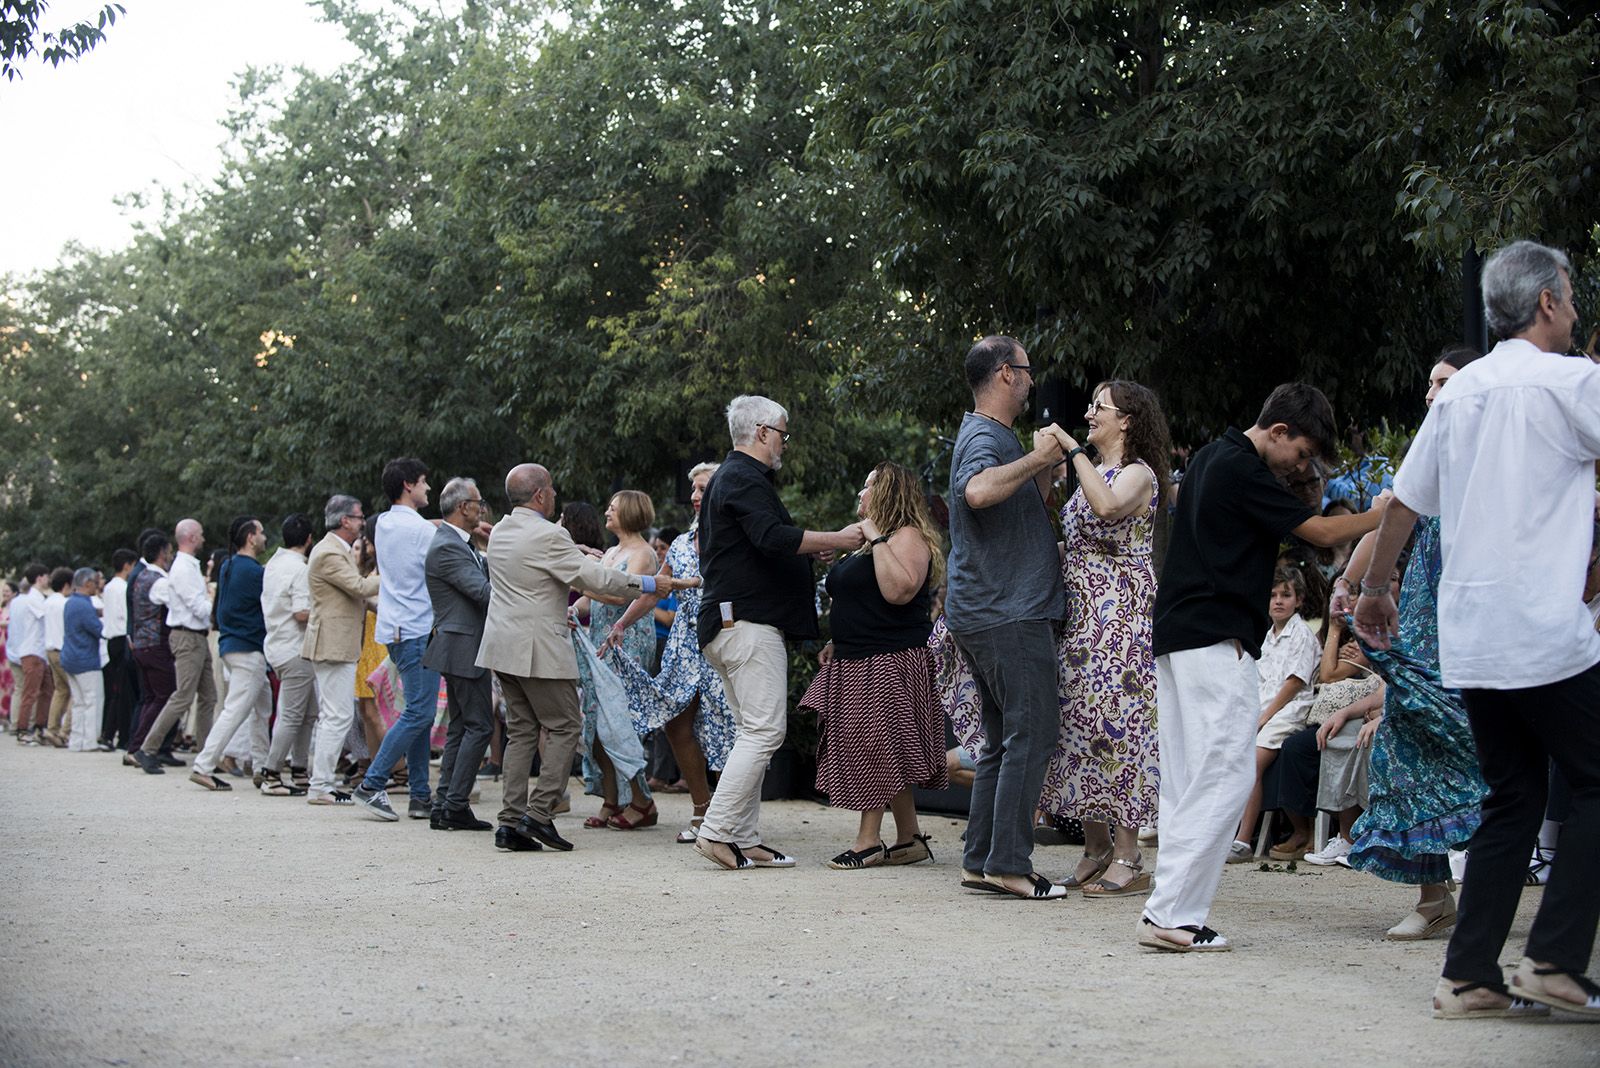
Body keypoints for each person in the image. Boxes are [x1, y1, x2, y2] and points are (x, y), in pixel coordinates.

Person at [1354, 240, 1600, 1020]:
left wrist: (1373, 591)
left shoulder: (1462, 394)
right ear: (1550, 303)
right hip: (1542, 626)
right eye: (1569, 294)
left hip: (1474, 637)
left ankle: (1467, 976)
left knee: (1512, 796)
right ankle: (1555, 957)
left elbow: (1404, 502)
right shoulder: (1572, 382)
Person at [1139, 383, 1386, 952]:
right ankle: (1173, 913)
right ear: (1278, 431)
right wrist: (1382, 513)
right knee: (1224, 775)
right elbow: (1321, 533)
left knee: (1186, 779)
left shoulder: (1207, 457)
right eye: (1300, 454)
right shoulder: (1241, 468)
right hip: (1216, 637)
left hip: (1179, 636)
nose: (1299, 467)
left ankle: (1165, 909)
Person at [1333, 344, 1487, 938]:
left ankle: (1509, 881)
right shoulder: (1432, 453)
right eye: (1428, 384)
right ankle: (1433, 897)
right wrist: (1347, 583)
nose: (1430, 394)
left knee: (1494, 740)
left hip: (1482, 608)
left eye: (1442, 383)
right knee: (1407, 737)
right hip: (1424, 616)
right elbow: (1391, 518)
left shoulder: (1499, 453)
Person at [691, 396, 865, 871]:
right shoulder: (743, 477)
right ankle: (716, 830)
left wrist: (810, 551)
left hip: (729, 623)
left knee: (752, 732)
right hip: (746, 625)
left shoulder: (734, 478)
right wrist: (838, 539)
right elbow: (772, 537)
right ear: (763, 432)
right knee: (765, 731)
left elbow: (762, 545)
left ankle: (744, 838)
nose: (785, 442)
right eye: (784, 433)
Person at [476, 464, 682, 853]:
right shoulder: (549, 534)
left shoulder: (501, 530)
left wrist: (577, 552)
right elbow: (598, 581)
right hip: (538, 648)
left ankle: (509, 821)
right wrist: (652, 583)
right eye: (551, 489)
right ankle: (538, 815)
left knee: (521, 732)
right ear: (540, 495)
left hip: (501, 646)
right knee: (565, 726)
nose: (555, 496)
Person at [943, 337, 1068, 899]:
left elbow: (1016, 503)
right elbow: (975, 492)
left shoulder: (994, 436)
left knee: (1000, 740)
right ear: (1003, 375)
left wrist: (1043, 473)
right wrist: (1040, 457)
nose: (1032, 380)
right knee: (1033, 733)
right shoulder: (984, 436)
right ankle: (1011, 865)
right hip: (1007, 610)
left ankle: (980, 859)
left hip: (990, 607)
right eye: (1025, 370)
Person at [1037, 380, 1172, 897]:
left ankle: (1129, 854)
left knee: (1119, 726)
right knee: (1078, 723)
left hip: (1121, 618)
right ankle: (1093, 847)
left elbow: (1110, 508)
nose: (1090, 414)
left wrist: (1071, 449)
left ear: (1127, 420)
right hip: (1080, 615)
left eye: (1100, 407)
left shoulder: (1138, 473)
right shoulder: (1090, 473)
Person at [801, 461, 946, 869]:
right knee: (887, 747)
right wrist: (836, 639)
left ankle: (868, 841)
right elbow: (861, 599)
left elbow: (899, 591)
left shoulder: (908, 537)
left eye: (868, 487)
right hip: (856, 657)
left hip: (891, 660)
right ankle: (910, 838)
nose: (860, 494)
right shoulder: (870, 543)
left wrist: (877, 539)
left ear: (888, 493)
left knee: (876, 747)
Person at [601, 462, 736, 844]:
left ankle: (730, 815)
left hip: (723, 640)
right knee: (676, 725)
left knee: (727, 729)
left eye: (703, 488)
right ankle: (702, 810)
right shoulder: (679, 543)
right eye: (692, 489)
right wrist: (621, 624)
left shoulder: (734, 538)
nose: (695, 496)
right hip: (682, 646)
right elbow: (654, 591)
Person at [354, 457, 443, 822]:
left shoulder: (384, 524)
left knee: (417, 712)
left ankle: (420, 794)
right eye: (424, 482)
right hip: (418, 628)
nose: (428, 489)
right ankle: (372, 784)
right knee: (421, 711)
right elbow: (443, 556)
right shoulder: (422, 531)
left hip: (395, 628)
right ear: (408, 484)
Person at [572, 490, 660, 830]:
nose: (607, 512)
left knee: (618, 725)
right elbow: (592, 601)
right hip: (599, 644)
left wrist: (578, 581)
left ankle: (643, 803)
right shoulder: (610, 552)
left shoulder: (643, 554)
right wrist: (573, 608)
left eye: (614, 507)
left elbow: (617, 594)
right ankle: (613, 798)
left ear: (631, 513)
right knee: (596, 725)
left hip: (626, 645)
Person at [1227, 567, 1320, 864]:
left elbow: (1293, 683)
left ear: (1299, 600)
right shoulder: (1267, 636)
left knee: (1252, 763)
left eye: (1286, 595)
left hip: (1288, 710)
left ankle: (1243, 841)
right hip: (1261, 710)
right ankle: (1223, 833)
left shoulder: (1301, 634)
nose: (1278, 601)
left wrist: (1264, 717)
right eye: (1273, 595)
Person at [422, 477, 496, 831]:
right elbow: (482, 592)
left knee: (461, 726)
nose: (481, 509)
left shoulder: (457, 543)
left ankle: (446, 803)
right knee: (479, 726)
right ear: (463, 506)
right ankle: (453, 804)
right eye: (478, 503)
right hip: (463, 646)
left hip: (460, 645)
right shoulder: (448, 546)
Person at [303, 495, 380, 806]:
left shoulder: (336, 550)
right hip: (333, 644)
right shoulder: (329, 553)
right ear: (345, 520)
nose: (363, 522)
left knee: (334, 716)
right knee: (337, 716)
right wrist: (394, 574)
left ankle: (320, 782)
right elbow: (359, 588)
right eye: (360, 517)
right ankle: (319, 785)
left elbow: (357, 596)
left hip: (337, 642)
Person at [189, 517, 271, 791]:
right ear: (250, 537)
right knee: (235, 709)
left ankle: (262, 766)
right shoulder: (253, 571)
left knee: (262, 707)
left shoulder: (228, 565)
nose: (263, 537)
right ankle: (204, 764)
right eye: (260, 532)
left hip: (232, 645)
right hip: (249, 648)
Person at [134, 519, 215, 773]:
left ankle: (205, 755)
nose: (203, 538)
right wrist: (217, 602)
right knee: (182, 696)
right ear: (191, 537)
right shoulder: (182, 568)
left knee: (208, 697)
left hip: (196, 636)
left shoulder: (187, 566)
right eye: (200, 534)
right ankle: (147, 749)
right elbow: (198, 607)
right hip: (187, 636)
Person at [259, 513, 318, 795]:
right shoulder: (301, 569)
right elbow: (300, 612)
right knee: (293, 715)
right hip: (296, 648)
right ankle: (271, 773)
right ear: (309, 540)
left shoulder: (273, 564)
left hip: (277, 645)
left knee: (307, 713)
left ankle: (299, 769)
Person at [60, 568, 105, 752]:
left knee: (78, 702)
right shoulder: (84, 605)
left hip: (70, 657)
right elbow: (98, 629)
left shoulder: (71, 602)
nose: (97, 586)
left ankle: (76, 740)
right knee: (93, 700)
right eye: (95, 582)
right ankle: (90, 741)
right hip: (85, 659)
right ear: (87, 584)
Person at [98, 549, 138, 751]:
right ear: (127, 566)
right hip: (122, 638)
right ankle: (120, 735)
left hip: (111, 639)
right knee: (124, 691)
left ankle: (111, 732)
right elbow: (125, 615)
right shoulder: (123, 587)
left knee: (117, 689)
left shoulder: (108, 587)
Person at [11, 564, 52, 744]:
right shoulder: (33, 599)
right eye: (46, 576)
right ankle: (22, 730)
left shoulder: (37, 597)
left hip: (39, 651)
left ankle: (40, 727)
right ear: (39, 578)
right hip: (32, 651)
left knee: (47, 690)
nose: (48, 580)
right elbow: (46, 615)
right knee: (30, 692)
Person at [42, 566, 72, 747]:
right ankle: (64, 731)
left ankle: (51, 728)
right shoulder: (64, 603)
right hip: (62, 649)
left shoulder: (48, 602)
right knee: (75, 691)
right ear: (67, 585)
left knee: (60, 690)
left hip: (50, 649)